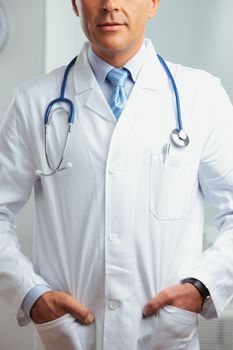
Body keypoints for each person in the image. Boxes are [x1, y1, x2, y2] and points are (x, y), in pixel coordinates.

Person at [0, 0, 233, 349]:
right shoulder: (34, 101)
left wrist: (202, 288)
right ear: (76, 5)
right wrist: (31, 295)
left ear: (153, 4)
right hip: (70, 337)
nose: (110, 5)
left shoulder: (202, 97)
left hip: (165, 337)